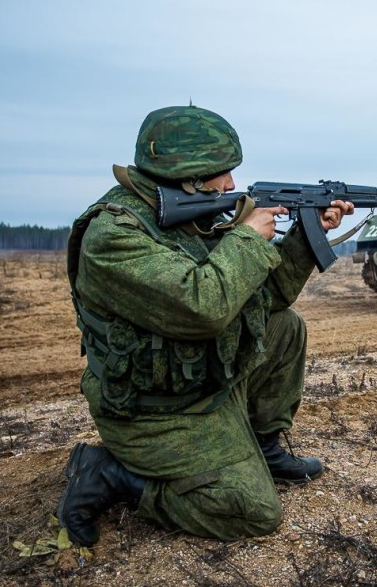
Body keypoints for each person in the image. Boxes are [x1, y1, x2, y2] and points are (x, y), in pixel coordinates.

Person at [57, 104, 354, 546]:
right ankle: (110, 474)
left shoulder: (192, 218)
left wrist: (305, 238)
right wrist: (246, 239)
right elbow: (202, 308)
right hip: (151, 409)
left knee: (284, 326)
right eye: (220, 172)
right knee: (253, 512)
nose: (232, 184)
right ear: (186, 175)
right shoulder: (115, 237)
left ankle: (264, 448)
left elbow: (264, 298)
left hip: (199, 381)